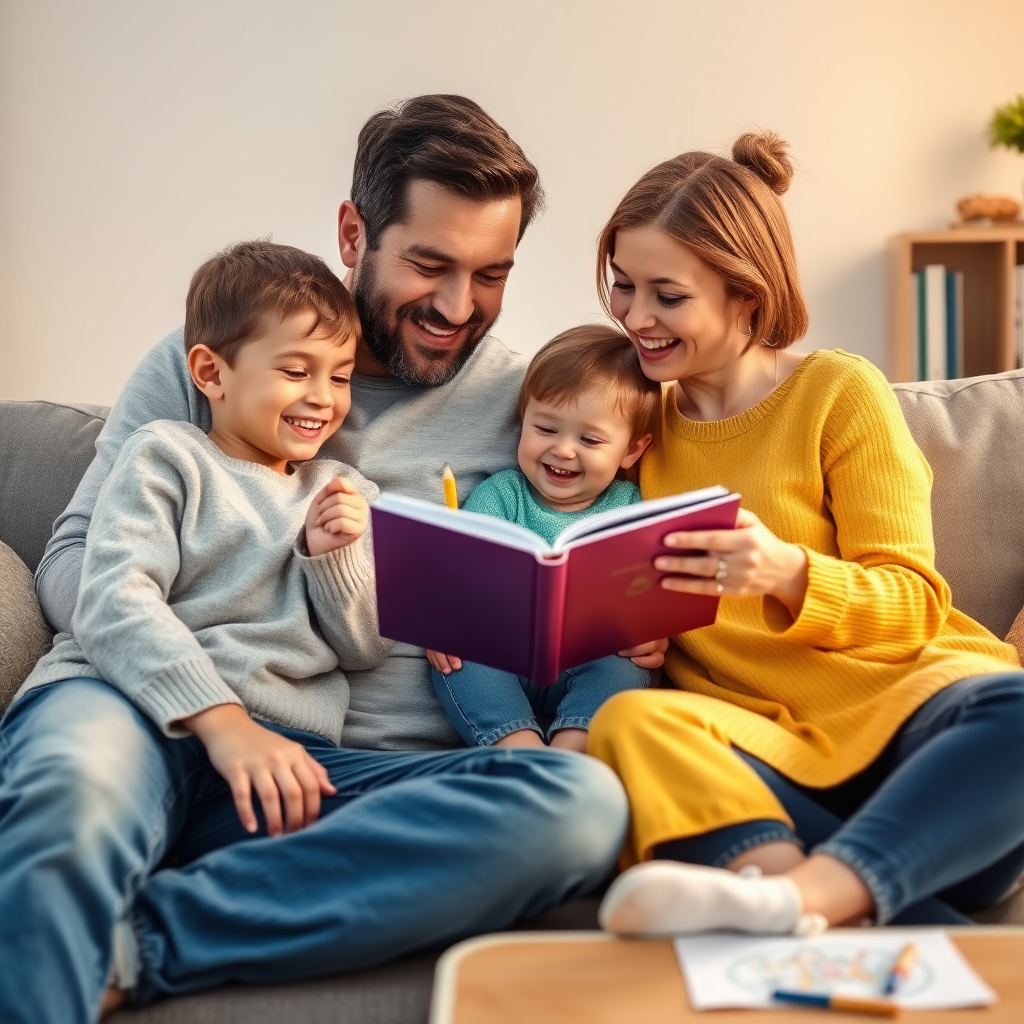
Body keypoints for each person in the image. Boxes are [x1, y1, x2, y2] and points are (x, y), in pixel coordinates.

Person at [0, 99, 636, 1024]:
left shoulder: (533, 404)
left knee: (577, 805)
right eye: (429, 264)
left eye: (490, 274)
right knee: (75, 794)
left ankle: (137, 948)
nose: (459, 308)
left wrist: (630, 619)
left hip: (333, 770)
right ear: (354, 232)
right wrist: (207, 701)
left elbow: (579, 540)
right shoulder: (206, 362)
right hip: (129, 703)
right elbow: (77, 560)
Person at [585, 131, 1024, 937]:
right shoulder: (632, 424)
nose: (634, 317)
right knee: (627, 725)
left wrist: (788, 572)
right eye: (623, 287)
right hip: (766, 758)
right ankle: (827, 895)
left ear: (745, 295)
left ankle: (796, 897)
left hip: (913, 732)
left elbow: (913, 604)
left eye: (666, 295)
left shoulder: (836, 392)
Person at [427, 325, 659, 753]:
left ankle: (575, 744)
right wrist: (449, 621)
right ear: (523, 422)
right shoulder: (500, 494)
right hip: (504, 654)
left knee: (626, 668)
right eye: (546, 429)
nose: (564, 450)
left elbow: (647, 599)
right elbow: (458, 573)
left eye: (589, 439)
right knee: (454, 660)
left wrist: (647, 633)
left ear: (631, 451)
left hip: (585, 658)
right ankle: (518, 747)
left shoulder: (631, 509)